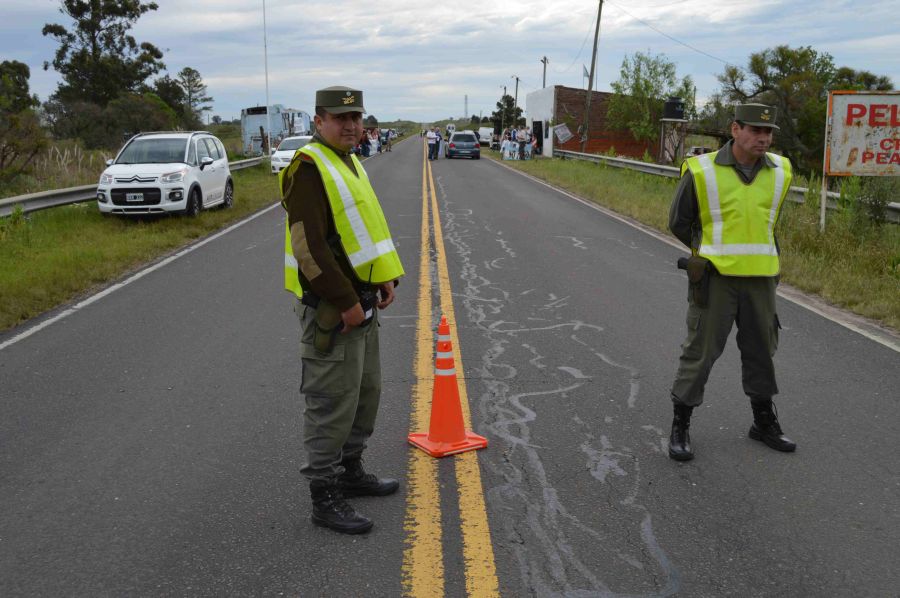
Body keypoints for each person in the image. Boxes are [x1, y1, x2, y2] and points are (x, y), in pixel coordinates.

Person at [280, 86, 405, 533]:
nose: (350, 125)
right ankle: (324, 494)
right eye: (339, 118)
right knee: (331, 401)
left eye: (355, 117)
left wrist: (382, 278)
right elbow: (309, 249)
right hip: (334, 310)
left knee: (364, 394)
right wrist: (347, 301)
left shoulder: (349, 161)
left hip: (364, 301)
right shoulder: (310, 167)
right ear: (318, 121)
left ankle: (350, 471)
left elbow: (360, 231)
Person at [667, 103, 795, 461]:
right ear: (735, 129)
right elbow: (679, 222)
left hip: (761, 280)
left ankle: (763, 422)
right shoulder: (702, 170)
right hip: (715, 279)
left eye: (768, 133)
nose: (763, 138)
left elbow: (769, 224)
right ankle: (681, 423)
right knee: (701, 352)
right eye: (755, 130)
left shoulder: (781, 170)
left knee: (761, 352)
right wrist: (704, 255)